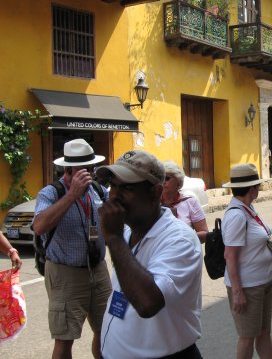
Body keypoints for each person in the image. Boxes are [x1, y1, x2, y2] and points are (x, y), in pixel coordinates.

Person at [97, 150, 203, 358]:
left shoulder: (180, 239)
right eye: (113, 186)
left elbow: (147, 303)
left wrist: (114, 239)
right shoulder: (127, 231)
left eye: (126, 187)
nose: (115, 196)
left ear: (155, 192)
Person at [32, 138, 111, 359]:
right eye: (84, 168)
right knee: (65, 338)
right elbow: (39, 226)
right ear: (68, 168)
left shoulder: (97, 189)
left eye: (92, 167)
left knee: (107, 329)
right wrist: (72, 195)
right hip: (65, 273)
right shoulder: (50, 193)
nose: (90, 172)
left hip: (98, 268)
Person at [221, 164, 272, 359]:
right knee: (247, 337)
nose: (259, 189)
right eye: (257, 186)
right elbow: (230, 256)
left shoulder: (247, 208)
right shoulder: (237, 215)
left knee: (263, 332)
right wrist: (237, 292)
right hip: (248, 287)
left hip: (263, 282)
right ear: (252, 188)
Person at [161, 161, 209, 243]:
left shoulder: (190, 202)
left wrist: (183, 238)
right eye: (160, 178)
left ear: (178, 181)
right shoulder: (152, 203)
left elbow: (205, 234)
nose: (163, 181)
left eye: (167, 178)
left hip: (184, 252)